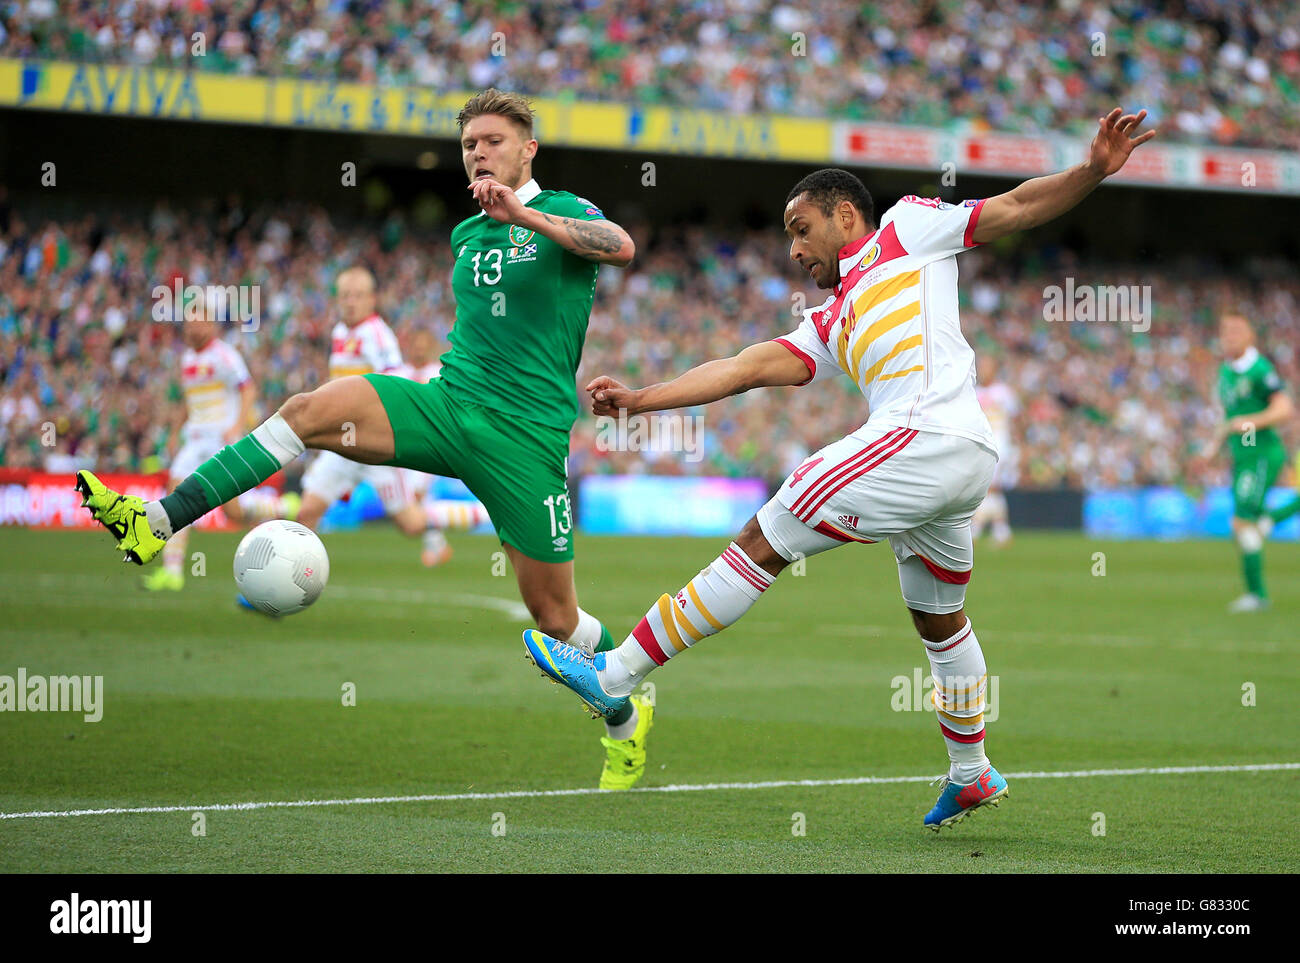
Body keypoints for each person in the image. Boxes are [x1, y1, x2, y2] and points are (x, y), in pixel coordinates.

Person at [523, 108, 1155, 829]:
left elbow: (1011, 208)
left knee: (766, 535)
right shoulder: (835, 316)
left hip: (925, 434)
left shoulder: (908, 228)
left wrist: (1092, 171)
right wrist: (642, 399)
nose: (793, 249)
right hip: (957, 456)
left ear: (845, 214)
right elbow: (747, 366)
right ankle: (971, 770)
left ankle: (615, 674)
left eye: (800, 228)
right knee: (940, 618)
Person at [75, 88, 652, 789]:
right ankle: (155, 521)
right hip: (446, 403)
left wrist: (524, 213)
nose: (478, 153)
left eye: (493, 141)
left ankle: (626, 717)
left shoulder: (563, 209)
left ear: (527, 148)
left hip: (525, 440)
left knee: (555, 615)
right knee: (310, 409)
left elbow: (620, 247)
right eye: (469, 144)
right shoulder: (467, 235)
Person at [1201, 313, 1297, 612]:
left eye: (1236, 330)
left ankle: (1257, 595)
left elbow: (1284, 409)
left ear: (1250, 335)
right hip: (1242, 457)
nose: (1229, 335)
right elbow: (1230, 420)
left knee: (1242, 522)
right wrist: (1213, 448)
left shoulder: (1259, 369)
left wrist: (1252, 422)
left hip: (1260, 453)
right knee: (1243, 525)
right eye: (1225, 330)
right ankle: (1256, 592)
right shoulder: (1226, 372)